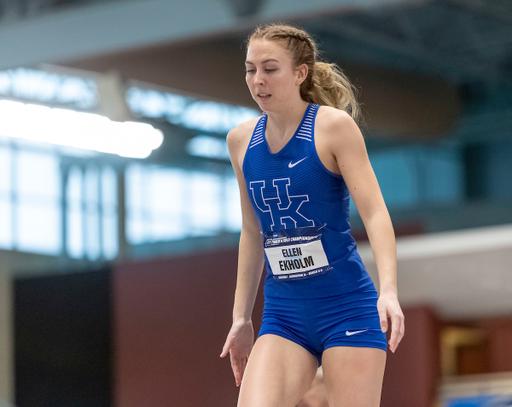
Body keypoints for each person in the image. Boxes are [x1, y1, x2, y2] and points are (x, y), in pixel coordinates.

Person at [220, 23, 405, 407]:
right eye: (250, 69)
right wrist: (241, 318)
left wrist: (388, 291)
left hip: (346, 308)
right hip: (283, 314)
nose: (258, 80)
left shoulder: (333, 128)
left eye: (270, 69)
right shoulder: (240, 141)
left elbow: (375, 214)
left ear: (300, 73)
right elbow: (253, 232)